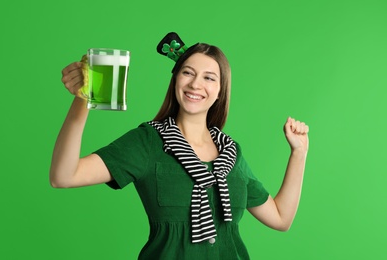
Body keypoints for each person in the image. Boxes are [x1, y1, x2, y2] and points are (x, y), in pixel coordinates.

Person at [50, 32, 309, 260]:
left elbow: (280, 218)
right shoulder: (148, 141)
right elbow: (64, 176)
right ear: (175, 80)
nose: (196, 84)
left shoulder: (231, 153)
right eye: (188, 72)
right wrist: (83, 100)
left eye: (209, 78)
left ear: (220, 91)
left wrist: (299, 152)